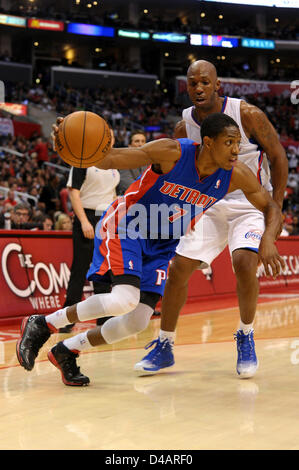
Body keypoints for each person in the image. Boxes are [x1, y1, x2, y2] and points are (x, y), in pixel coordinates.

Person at [16, 113, 285, 387]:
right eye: (229, 142)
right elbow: (111, 159)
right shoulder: (171, 152)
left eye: (238, 143)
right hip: (128, 225)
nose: (236, 150)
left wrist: (269, 239)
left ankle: (67, 350)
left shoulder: (235, 174)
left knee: (137, 321)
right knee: (124, 299)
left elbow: (270, 206)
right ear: (208, 142)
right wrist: (75, 142)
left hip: (163, 243)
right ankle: (43, 323)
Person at [135, 60, 288, 378]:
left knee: (245, 263)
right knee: (178, 268)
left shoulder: (247, 114)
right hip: (210, 203)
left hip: (250, 203)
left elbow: (278, 155)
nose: (199, 87)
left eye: (205, 82)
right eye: (193, 83)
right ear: (187, 87)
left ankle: (245, 335)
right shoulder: (185, 125)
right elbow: (176, 171)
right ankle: (164, 345)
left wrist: (276, 211)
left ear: (218, 85)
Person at [58, 126, 120, 333]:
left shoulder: (113, 164)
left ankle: (103, 319)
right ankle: (66, 319)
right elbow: (73, 193)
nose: (109, 140)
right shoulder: (82, 161)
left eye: (111, 137)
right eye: (106, 137)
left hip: (106, 219)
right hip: (87, 216)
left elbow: (111, 194)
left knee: (104, 270)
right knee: (80, 269)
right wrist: (84, 221)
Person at [117, 130, 148, 194]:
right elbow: (126, 183)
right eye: (137, 141)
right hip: (131, 198)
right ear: (129, 146)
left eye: (143, 141)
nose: (140, 144)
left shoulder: (151, 161)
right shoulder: (123, 161)